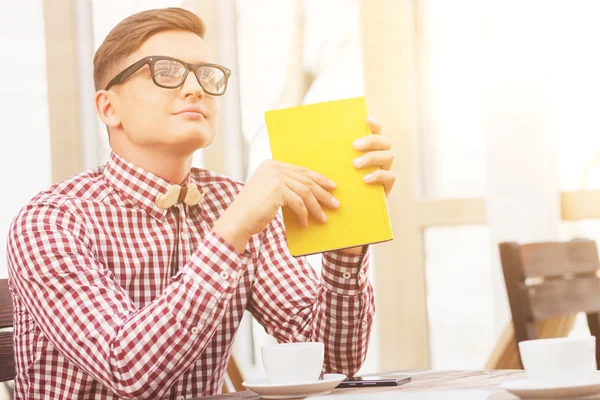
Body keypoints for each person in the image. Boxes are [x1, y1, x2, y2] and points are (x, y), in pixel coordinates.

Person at [6, 7, 396, 399]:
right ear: (109, 108)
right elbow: (126, 370)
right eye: (165, 71)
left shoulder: (234, 201)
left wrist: (347, 247)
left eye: (206, 75)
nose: (196, 89)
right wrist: (231, 232)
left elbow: (331, 363)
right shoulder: (50, 221)